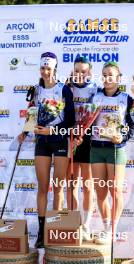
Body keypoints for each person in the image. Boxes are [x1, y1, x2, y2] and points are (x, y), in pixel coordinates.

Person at [18, 52, 75, 248]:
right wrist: (25, 133)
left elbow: (71, 121)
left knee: (58, 186)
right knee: (43, 187)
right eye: (42, 68)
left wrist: (53, 129)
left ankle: (55, 230)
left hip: (59, 139)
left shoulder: (64, 90)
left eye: (48, 68)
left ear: (55, 69)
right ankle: (42, 233)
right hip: (42, 140)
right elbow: (32, 115)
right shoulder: (35, 90)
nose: (45, 72)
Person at [90, 61, 134, 244]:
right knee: (100, 193)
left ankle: (113, 230)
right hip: (96, 149)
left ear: (118, 78)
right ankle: (105, 227)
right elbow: (87, 123)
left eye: (111, 75)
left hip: (116, 150)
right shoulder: (95, 97)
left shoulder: (126, 98)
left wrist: (123, 138)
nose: (107, 78)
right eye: (104, 74)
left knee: (116, 191)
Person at [66, 57, 98, 241]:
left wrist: (82, 134)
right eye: (77, 70)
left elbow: (95, 113)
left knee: (87, 185)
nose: (80, 74)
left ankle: (86, 225)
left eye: (83, 71)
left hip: (86, 139)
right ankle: (73, 222)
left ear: (89, 73)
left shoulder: (95, 89)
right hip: (69, 137)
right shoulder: (67, 87)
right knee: (72, 184)